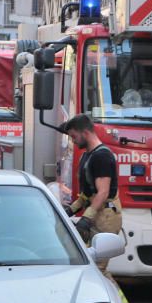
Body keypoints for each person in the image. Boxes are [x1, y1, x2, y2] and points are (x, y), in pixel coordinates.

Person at [62, 114, 122, 270]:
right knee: (91, 267)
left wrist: (86, 219)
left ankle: (113, 295)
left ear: (85, 133)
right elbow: (88, 193)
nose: (73, 141)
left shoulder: (102, 156)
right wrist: (70, 210)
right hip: (98, 214)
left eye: (74, 136)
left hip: (105, 217)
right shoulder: (87, 156)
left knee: (97, 268)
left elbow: (102, 192)